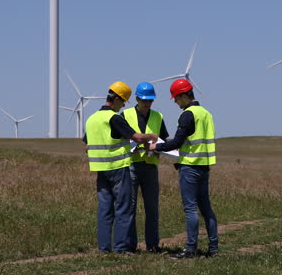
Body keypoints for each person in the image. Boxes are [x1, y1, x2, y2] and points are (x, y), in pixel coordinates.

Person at [83, 81, 158, 254]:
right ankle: (121, 248)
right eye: (123, 101)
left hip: (100, 169)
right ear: (116, 99)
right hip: (118, 168)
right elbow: (136, 137)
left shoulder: (92, 119)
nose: (123, 105)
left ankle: (104, 248)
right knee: (124, 208)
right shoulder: (114, 118)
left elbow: (87, 146)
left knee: (104, 210)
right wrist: (151, 136)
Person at [149, 78, 218, 259]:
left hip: (190, 167)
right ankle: (213, 248)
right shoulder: (206, 114)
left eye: (176, 98)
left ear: (184, 96)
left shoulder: (187, 115)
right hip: (204, 166)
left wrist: (156, 147)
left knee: (190, 209)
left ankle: (190, 249)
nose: (176, 102)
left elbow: (177, 142)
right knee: (206, 208)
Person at [121, 82, 169, 252]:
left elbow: (164, 140)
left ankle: (153, 245)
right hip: (131, 165)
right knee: (130, 207)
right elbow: (119, 138)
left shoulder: (158, 116)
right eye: (144, 100)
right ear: (137, 99)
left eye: (150, 100)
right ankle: (130, 246)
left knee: (152, 208)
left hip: (150, 166)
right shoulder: (125, 115)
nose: (147, 103)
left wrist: (158, 148)